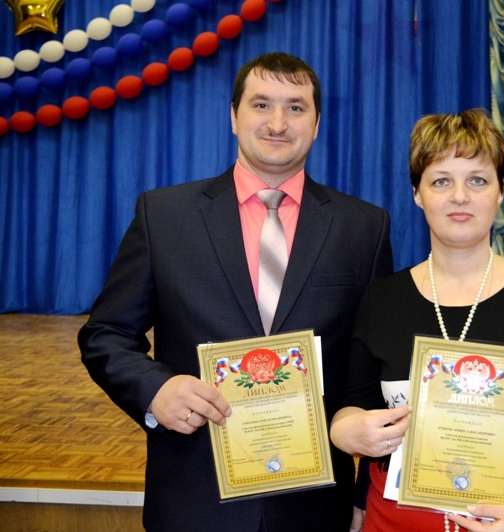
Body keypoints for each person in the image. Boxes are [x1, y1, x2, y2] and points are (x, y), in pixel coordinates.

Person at [78, 52, 393, 532]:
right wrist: (155, 389)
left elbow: (369, 372)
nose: (278, 123)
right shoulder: (164, 216)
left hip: (314, 505)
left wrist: (365, 492)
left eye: (295, 107)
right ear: (233, 116)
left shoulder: (363, 227)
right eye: (261, 104)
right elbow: (106, 334)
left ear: (316, 123)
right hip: (194, 498)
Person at [330, 109, 504, 532]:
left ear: (500, 192)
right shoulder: (381, 299)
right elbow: (352, 407)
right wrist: (347, 431)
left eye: (477, 180)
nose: (459, 196)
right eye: (441, 181)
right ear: (417, 194)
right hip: (396, 521)